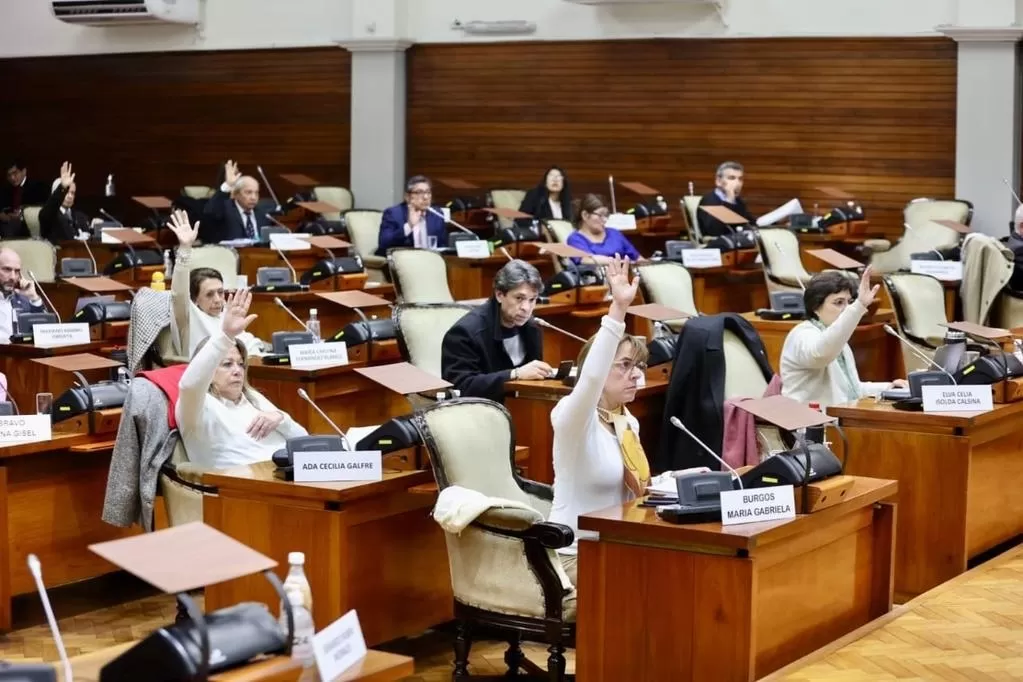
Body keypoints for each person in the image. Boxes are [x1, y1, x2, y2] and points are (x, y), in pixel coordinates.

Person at [548, 256, 651, 584]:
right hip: (575, 556)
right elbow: (590, 380)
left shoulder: (626, 422)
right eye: (623, 365)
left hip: (616, 546)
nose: (635, 375)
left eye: (639, 366)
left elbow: (631, 494)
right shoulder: (573, 418)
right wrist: (618, 311)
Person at [176, 287, 308, 469]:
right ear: (208, 371)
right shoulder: (198, 407)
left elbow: (304, 440)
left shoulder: (251, 398)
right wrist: (226, 335)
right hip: (247, 486)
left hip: (290, 471)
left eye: (240, 364)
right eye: (227, 364)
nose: (238, 371)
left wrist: (280, 418)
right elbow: (189, 384)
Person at [780, 267, 907, 408]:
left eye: (849, 302)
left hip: (839, 419)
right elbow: (819, 354)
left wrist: (890, 389)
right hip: (807, 424)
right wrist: (859, 306)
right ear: (815, 306)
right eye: (839, 302)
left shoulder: (838, 339)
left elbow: (852, 389)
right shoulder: (802, 334)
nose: (847, 308)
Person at [441, 259, 552, 402]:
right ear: (500, 295)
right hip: (479, 412)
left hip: (521, 408)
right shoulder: (465, 332)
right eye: (519, 298)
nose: (526, 307)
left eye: (532, 300)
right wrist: (514, 374)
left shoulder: (531, 327)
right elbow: (461, 386)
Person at [167, 209, 265, 357]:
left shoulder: (225, 314)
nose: (218, 300)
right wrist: (185, 248)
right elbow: (179, 293)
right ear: (194, 300)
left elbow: (247, 342)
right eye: (209, 294)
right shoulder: (187, 318)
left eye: (220, 292)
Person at [200, 160, 269, 243]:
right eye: (248, 192)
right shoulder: (226, 209)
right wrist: (228, 185)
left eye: (256, 193)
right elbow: (210, 213)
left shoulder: (263, 213)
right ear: (236, 194)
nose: (253, 197)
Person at [376, 175, 448, 256]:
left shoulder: (436, 214)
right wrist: (409, 226)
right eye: (419, 192)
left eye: (428, 192)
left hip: (431, 261)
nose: (426, 197)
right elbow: (384, 244)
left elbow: (443, 246)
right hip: (404, 262)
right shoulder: (393, 213)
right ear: (407, 197)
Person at [565, 194, 642, 264]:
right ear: (585, 215)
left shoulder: (614, 233)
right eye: (600, 215)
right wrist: (621, 263)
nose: (605, 220)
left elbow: (638, 258)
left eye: (606, 215)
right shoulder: (575, 239)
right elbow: (586, 260)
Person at [697, 161, 756, 238]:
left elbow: (749, 223)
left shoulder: (738, 201)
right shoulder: (710, 200)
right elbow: (713, 231)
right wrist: (729, 200)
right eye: (732, 178)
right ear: (718, 181)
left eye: (740, 179)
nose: (737, 183)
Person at [0, 247, 45, 344]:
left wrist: (34, 298)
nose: (13, 277)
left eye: (17, 271)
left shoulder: (21, 299)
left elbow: (45, 332)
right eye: (7, 269)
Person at [39, 161, 92, 244]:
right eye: (67, 192)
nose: (70, 196)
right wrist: (62, 187)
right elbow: (49, 208)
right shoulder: (49, 215)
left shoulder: (80, 216)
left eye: (73, 193)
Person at [1, 159, 49, 239]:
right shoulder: (5, 190)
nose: (12, 178)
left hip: (29, 224)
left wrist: (22, 214)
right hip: (10, 224)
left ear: (24, 171)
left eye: (15, 173)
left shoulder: (38, 187)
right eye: (9, 175)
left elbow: (42, 208)